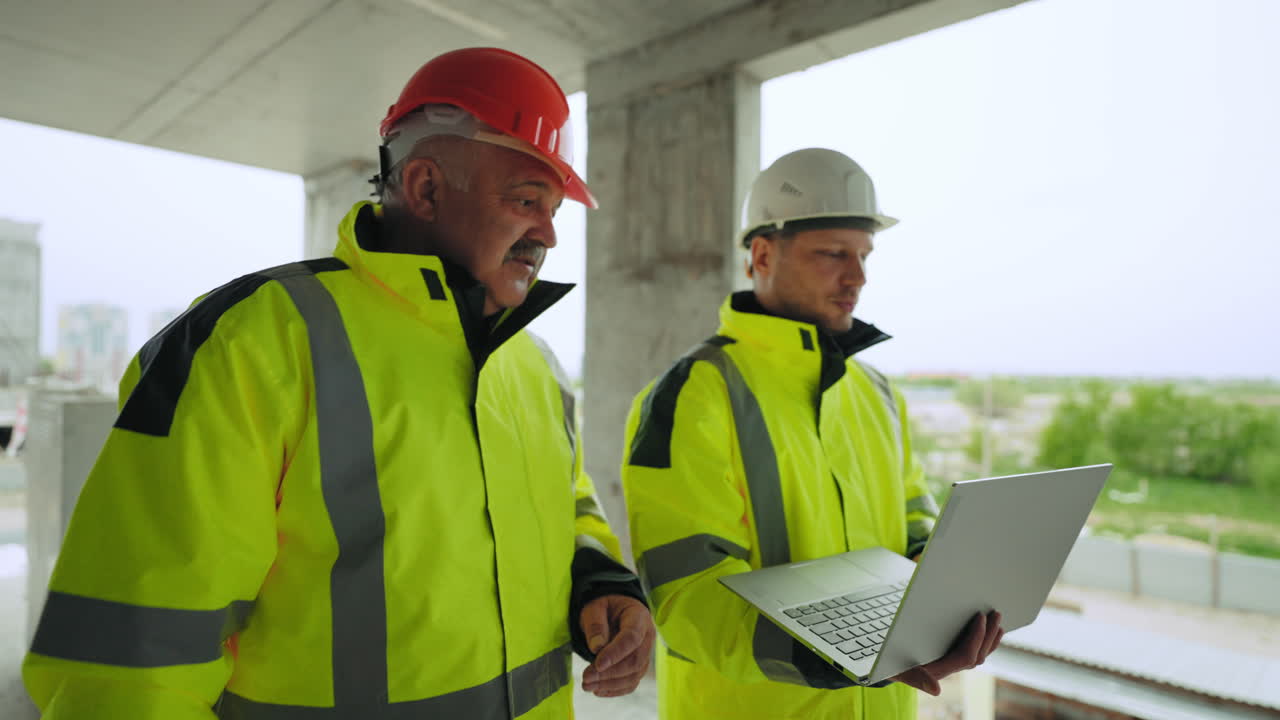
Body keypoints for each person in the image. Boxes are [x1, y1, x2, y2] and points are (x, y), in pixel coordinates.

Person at [24, 47, 654, 719]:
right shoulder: (253, 344)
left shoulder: (535, 367)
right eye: (527, 200)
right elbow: (134, 666)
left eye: (554, 209)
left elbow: (569, 506)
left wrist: (601, 584)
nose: (548, 234)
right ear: (426, 188)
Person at [621, 148, 1003, 719]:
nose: (857, 277)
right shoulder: (696, 392)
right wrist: (842, 654)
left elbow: (913, 518)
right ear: (762, 255)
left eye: (864, 255)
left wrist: (943, 590)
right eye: (833, 254)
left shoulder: (876, 392)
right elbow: (690, 599)